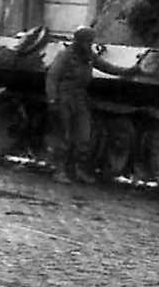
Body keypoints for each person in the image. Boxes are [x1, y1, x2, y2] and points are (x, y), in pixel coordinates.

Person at [45, 25, 131, 184]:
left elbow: (105, 66)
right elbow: (52, 77)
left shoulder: (88, 55)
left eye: (90, 42)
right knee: (64, 135)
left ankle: (80, 169)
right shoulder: (66, 55)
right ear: (79, 41)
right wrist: (52, 99)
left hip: (80, 97)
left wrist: (127, 71)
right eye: (87, 41)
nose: (89, 45)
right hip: (65, 97)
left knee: (84, 136)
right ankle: (60, 170)